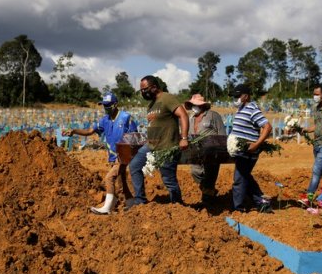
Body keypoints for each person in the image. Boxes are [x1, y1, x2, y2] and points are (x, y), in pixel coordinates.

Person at [65, 92, 137, 214]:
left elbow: (134, 137)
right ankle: (132, 204)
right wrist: (74, 131)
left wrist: (126, 154)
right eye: (104, 105)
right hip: (112, 156)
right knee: (121, 182)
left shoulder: (126, 118)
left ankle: (107, 208)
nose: (106, 108)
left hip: (123, 156)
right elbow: (89, 131)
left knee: (109, 178)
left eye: (108, 105)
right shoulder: (104, 120)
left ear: (115, 104)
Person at [128, 75, 189, 207]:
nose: (143, 92)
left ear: (154, 87)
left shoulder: (167, 98)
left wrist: (184, 138)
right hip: (150, 146)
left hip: (166, 146)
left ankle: (178, 205)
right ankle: (140, 201)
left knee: (168, 179)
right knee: (134, 166)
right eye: (141, 90)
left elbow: (183, 115)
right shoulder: (151, 104)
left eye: (145, 89)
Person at [229, 84, 273, 213]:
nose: (235, 98)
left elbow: (267, 127)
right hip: (240, 150)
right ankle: (261, 202)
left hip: (247, 151)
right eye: (234, 96)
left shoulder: (252, 109)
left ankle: (238, 208)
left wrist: (256, 144)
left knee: (239, 179)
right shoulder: (242, 108)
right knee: (245, 176)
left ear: (246, 96)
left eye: (237, 96)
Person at [184, 94, 226, 204]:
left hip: (212, 151)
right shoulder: (191, 118)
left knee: (210, 173)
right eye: (192, 104)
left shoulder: (213, 115)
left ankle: (208, 198)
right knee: (195, 171)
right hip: (196, 151)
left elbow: (222, 133)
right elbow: (188, 135)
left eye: (196, 104)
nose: (194, 106)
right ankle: (209, 191)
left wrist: (221, 147)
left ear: (202, 105)